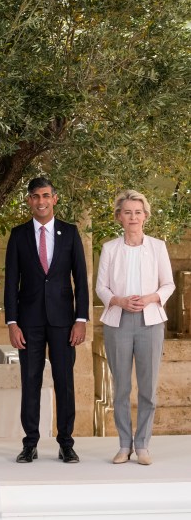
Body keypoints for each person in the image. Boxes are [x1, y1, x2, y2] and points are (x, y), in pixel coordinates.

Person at [4, 177, 89, 464]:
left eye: (45, 195)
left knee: (64, 381)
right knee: (30, 381)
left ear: (54, 198)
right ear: (29, 200)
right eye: (35, 196)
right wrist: (12, 323)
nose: (40, 201)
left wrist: (81, 319)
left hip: (64, 322)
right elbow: (10, 282)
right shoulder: (18, 235)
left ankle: (66, 443)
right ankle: (30, 443)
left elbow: (81, 279)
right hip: (28, 323)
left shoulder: (70, 232)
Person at [96, 190, 174, 465]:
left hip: (150, 323)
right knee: (120, 388)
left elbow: (168, 284)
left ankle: (142, 445)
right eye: (127, 212)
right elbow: (101, 287)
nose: (133, 217)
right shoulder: (110, 248)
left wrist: (152, 298)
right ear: (119, 217)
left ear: (146, 216)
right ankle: (123, 445)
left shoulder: (157, 247)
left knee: (147, 388)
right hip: (118, 322)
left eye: (138, 212)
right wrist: (118, 300)